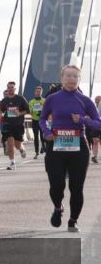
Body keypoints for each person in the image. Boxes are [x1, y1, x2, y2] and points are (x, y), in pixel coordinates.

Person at [39, 64, 101, 233]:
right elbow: (42, 118)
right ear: (62, 78)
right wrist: (46, 132)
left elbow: (98, 123)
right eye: (68, 76)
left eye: (75, 76)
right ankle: (58, 207)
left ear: (79, 79)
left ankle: (73, 220)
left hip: (79, 147)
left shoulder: (85, 100)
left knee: (76, 187)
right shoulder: (52, 99)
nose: (71, 79)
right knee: (56, 185)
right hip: (56, 145)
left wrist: (82, 120)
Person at [0, 81, 30, 170]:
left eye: (12, 87)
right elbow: (1, 111)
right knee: (10, 143)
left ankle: (22, 149)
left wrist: (19, 113)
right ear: (7, 89)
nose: (10, 89)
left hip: (18, 124)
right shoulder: (4, 101)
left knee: (17, 144)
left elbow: (28, 110)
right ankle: (12, 162)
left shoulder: (20, 99)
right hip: (8, 124)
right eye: (9, 87)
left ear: (15, 89)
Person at [28, 85, 45, 159]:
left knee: (42, 136)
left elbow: (47, 110)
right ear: (35, 92)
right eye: (37, 92)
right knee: (36, 137)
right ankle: (36, 152)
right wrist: (32, 111)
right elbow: (30, 112)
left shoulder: (44, 101)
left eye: (39, 92)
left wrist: (42, 111)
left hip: (42, 120)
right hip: (34, 120)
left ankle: (44, 148)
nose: (38, 93)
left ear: (41, 93)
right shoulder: (31, 102)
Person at [91, 95, 101, 163]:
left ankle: (96, 156)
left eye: (98, 99)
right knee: (95, 141)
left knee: (98, 141)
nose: (97, 100)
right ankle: (95, 156)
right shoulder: (93, 106)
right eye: (96, 99)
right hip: (95, 125)